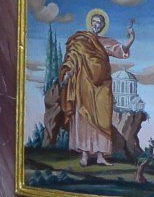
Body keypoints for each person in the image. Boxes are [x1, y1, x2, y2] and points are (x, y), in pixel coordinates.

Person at [57, 10, 134, 167]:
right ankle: (85, 155)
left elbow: (121, 50)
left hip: (102, 86)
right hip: (84, 84)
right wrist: (67, 73)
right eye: (95, 22)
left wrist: (131, 38)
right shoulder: (81, 40)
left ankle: (100, 156)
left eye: (100, 23)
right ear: (91, 23)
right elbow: (72, 59)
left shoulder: (106, 42)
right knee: (85, 118)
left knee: (103, 119)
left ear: (103, 26)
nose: (96, 25)